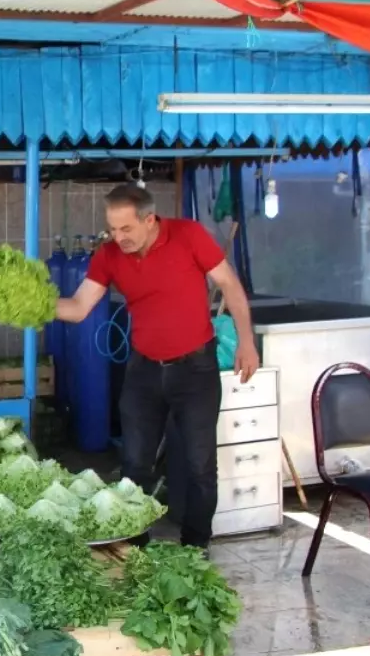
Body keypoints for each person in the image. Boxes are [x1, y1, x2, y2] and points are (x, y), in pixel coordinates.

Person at [55, 184, 258, 552]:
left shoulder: (188, 235)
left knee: (199, 467)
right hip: (143, 371)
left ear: (149, 220)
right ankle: (135, 549)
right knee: (134, 467)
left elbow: (229, 283)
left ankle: (195, 550)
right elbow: (79, 306)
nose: (118, 238)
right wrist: (35, 305)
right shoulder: (109, 255)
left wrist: (247, 341)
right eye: (112, 230)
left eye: (126, 229)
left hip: (195, 370)